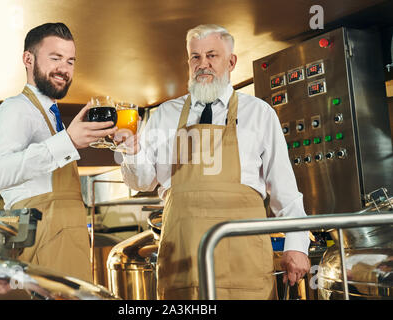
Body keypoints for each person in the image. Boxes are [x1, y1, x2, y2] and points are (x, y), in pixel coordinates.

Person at [118, 24, 310, 299]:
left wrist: (297, 245)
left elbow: (285, 190)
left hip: (245, 264)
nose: (203, 64)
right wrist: (131, 150)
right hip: (183, 262)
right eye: (195, 57)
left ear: (231, 62)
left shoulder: (259, 114)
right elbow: (142, 180)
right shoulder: (164, 115)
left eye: (212, 55)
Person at [0, 23, 117, 283]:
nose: (64, 69)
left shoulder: (51, 115)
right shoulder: (14, 109)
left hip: (71, 241)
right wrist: (67, 141)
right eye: (55, 58)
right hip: (42, 244)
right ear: (28, 59)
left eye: (70, 61)